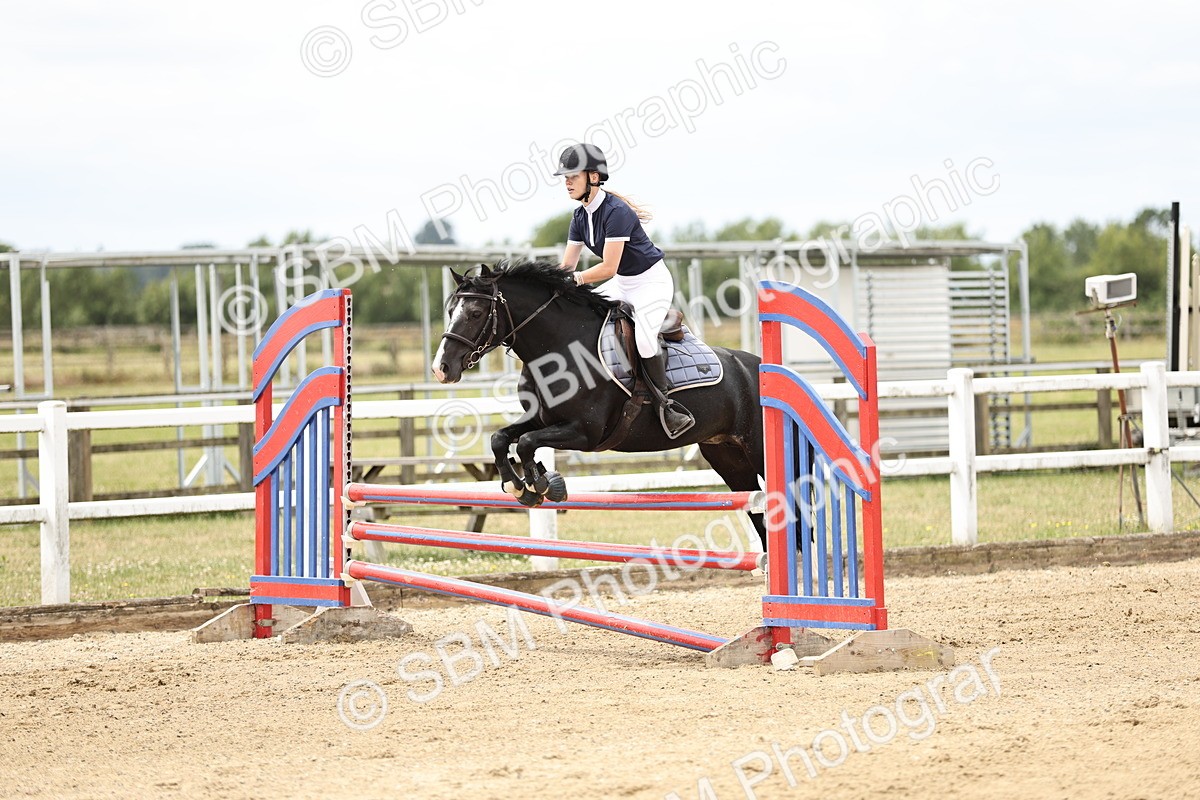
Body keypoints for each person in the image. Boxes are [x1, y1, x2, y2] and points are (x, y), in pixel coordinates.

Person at [554, 143, 695, 438]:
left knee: (644, 340)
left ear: (593, 177)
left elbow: (607, 268)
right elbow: (567, 267)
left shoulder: (616, 212)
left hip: (650, 282)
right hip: (623, 282)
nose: (566, 182)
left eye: (572, 176)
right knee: (585, 317)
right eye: (564, 177)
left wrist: (577, 281)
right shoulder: (580, 217)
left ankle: (666, 406)